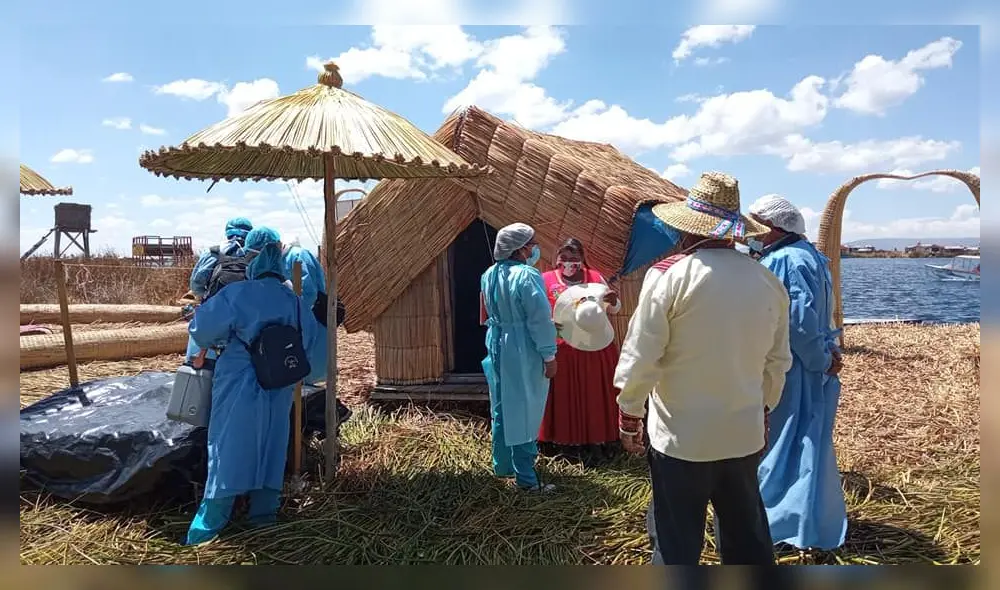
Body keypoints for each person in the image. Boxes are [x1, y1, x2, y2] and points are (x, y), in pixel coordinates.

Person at [614, 171, 793, 565]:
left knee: (677, 543)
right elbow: (778, 362)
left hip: (681, 438)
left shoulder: (671, 280)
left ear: (687, 231)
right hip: (741, 435)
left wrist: (630, 413)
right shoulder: (767, 282)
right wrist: (763, 409)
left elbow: (641, 355)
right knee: (746, 538)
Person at [184, 226, 326, 545]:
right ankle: (263, 514)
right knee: (273, 441)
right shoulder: (293, 300)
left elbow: (202, 330)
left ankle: (210, 524)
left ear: (252, 258)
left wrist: (227, 339)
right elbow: (309, 339)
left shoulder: (237, 294)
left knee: (229, 444)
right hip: (279, 382)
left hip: (238, 379)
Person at [747, 194, 847, 551]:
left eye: (758, 225)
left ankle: (780, 525)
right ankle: (806, 522)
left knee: (785, 442)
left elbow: (799, 322)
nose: (752, 233)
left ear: (774, 228)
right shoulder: (811, 257)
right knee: (808, 437)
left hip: (792, 367)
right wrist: (827, 354)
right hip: (809, 364)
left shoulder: (785, 260)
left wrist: (820, 358)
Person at [479, 222, 559, 492]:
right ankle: (526, 479)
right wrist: (549, 356)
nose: (535, 248)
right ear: (520, 248)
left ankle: (503, 466)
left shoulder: (488, 274)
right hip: (521, 348)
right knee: (525, 406)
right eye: (532, 243)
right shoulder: (527, 276)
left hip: (497, 342)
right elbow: (539, 320)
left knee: (502, 404)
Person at [538, 238, 622, 462]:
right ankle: (566, 444)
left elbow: (613, 308)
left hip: (595, 349)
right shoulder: (546, 280)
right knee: (565, 395)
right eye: (564, 257)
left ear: (582, 258)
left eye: (574, 257)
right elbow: (537, 310)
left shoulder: (595, 279)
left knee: (595, 395)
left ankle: (599, 441)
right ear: (557, 258)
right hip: (562, 349)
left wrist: (613, 302)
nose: (568, 262)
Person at [185, 217, 253, 362]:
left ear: (227, 232)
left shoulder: (213, 253)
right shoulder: (254, 257)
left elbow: (196, 284)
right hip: (245, 320)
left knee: (198, 362)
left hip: (211, 316)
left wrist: (207, 298)